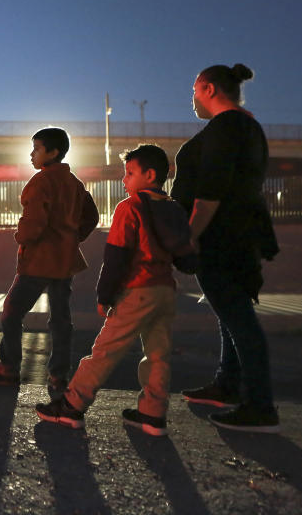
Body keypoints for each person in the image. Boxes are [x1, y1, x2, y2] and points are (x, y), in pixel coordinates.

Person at [35, 144, 195, 436]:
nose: (125, 180)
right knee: (158, 355)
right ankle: (152, 414)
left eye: (130, 173)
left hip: (137, 290)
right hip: (165, 292)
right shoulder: (173, 208)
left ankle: (72, 406)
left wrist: (104, 296)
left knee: (104, 351)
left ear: (149, 174)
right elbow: (186, 256)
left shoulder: (129, 207)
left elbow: (116, 258)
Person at [171, 63, 281, 433]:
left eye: (194, 91)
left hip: (220, 238)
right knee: (230, 312)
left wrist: (189, 235)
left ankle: (260, 406)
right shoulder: (249, 127)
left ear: (209, 88)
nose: (192, 100)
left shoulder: (225, 128)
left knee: (238, 318)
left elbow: (211, 191)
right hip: (240, 234)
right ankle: (228, 384)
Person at [0, 127, 99, 401]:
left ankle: (8, 368)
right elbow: (92, 216)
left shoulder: (40, 182)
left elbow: (34, 224)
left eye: (36, 148)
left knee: (11, 312)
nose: (31, 154)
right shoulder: (74, 183)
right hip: (64, 261)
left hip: (39, 260)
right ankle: (58, 375)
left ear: (52, 152)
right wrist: (72, 238)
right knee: (60, 319)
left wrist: (21, 236)